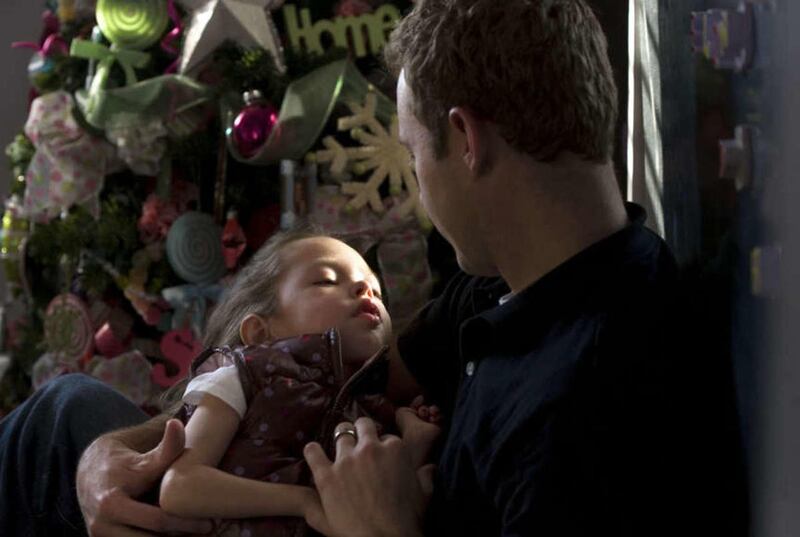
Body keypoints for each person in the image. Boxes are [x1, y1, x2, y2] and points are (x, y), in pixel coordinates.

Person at [0, 1, 746, 535]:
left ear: (465, 140)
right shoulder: (524, 283)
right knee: (70, 416)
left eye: (413, 153)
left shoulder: (594, 406)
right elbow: (309, 372)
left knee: (48, 427)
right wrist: (103, 460)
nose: (419, 189)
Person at [157, 229, 439, 536]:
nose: (365, 289)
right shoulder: (245, 375)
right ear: (260, 332)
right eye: (326, 280)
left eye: (377, 291)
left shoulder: (377, 409)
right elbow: (180, 486)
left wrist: (414, 442)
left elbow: (389, 509)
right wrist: (305, 502)